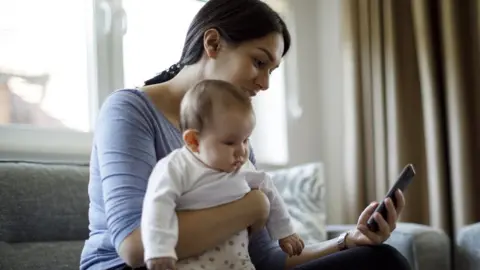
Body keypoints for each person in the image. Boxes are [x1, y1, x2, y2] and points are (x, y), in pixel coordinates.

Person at [80, 0, 412, 269]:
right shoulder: (130, 111)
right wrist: (253, 206)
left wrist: (346, 241)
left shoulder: (234, 142)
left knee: (381, 260)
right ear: (212, 43)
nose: (264, 83)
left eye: (271, 70)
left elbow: (265, 259)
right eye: (258, 62)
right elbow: (136, 247)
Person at [141, 79, 304, 270]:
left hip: (239, 262)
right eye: (230, 142)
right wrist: (159, 249)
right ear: (194, 141)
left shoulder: (242, 167)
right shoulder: (176, 166)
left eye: (245, 140)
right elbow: (158, 203)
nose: (242, 151)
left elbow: (267, 187)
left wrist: (285, 232)